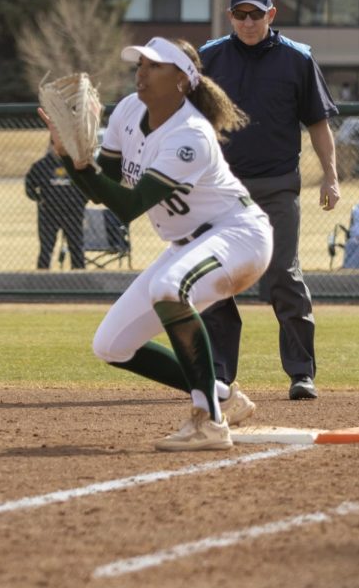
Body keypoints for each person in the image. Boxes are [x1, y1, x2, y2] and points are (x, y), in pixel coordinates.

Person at [40, 37, 273, 451]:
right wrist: (69, 155)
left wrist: (80, 165)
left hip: (238, 236)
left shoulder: (191, 135)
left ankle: (209, 423)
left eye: (155, 66)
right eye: (140, 64)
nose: (141, 72)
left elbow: (128, 205)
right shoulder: (130, 110)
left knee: (170, 288)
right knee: (111, 345)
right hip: (188, 246)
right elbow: (102, 189)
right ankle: (222, 396)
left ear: (183, 81)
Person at [198, 0, 340, 401]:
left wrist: (330, 176)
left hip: (277, 186)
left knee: (281, 273)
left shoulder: (297, 59)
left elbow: (318, 123)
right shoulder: (209, 58)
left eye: (255, 14)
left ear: (270, 15)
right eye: (240, 14)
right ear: (230, 18)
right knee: (218, 277)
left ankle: (301, 373)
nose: (247, 21)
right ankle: (220, 375)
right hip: (222, 189)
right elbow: (188, 119)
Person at [25, 144, 88, 269]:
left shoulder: (77, 165)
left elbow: (89, 185)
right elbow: (29, 185)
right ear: (51, 146)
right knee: (46, 248)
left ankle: (80, 278)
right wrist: (39, 199)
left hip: (73, 213)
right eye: (56, 145)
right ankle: (42, 279)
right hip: (48, 214)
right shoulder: (41, 166)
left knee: (76, 248)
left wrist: (81, 201)